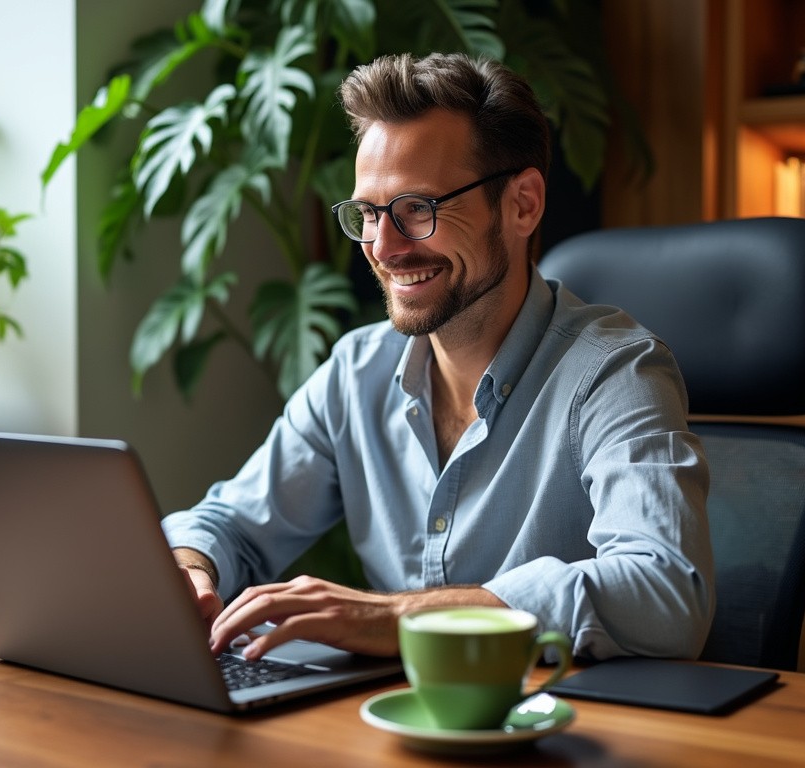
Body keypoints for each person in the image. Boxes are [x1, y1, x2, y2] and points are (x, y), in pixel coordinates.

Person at [163, 52, 715, 664]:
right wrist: (192, 570)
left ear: (523, 204)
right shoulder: (356, 372)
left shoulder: (616, 373)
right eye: (368, 214)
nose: (384, 247)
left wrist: (400, 616)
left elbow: (666, 590)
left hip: (552, 737)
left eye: (417, 209)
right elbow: (232, 522)